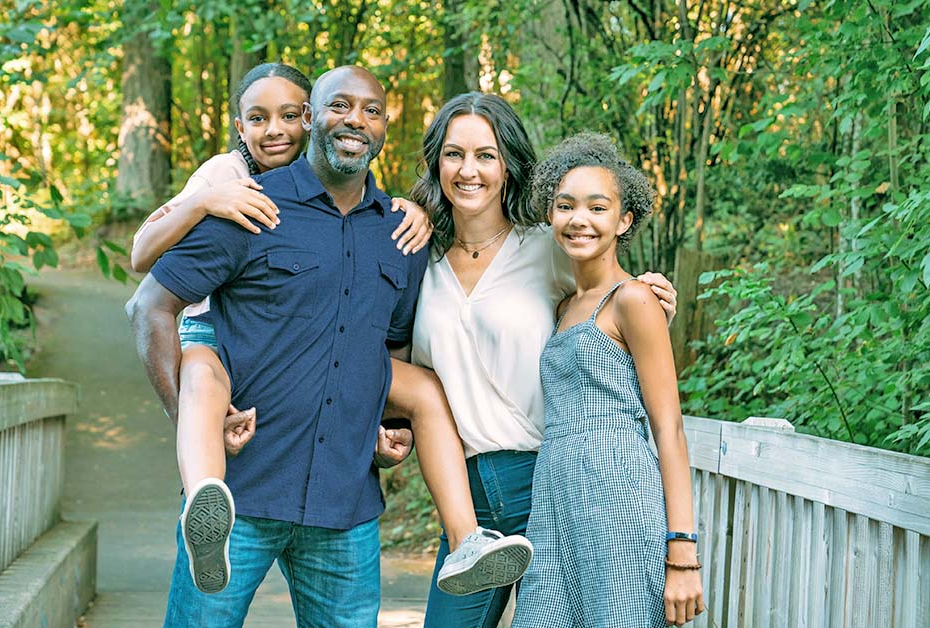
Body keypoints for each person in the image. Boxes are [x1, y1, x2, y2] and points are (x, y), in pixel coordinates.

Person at [127, 66, 429, 627]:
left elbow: (393, 347)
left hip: (346, 506)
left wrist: (388, 424)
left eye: (372, 110)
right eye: (339, 105)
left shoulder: (401, 235)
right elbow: (151, 306)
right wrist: (186, 417)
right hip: (241, 499)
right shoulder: (247, 205)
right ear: (312, 117)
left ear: (386, 126)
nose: (355, 121)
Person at [407, 93, 678, 626]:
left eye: (487, 155)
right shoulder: (417, 256)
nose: (469, 170)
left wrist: (654, 301)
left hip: (554, 481)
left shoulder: (547, 246)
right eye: (454, 154)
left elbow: (609, 304)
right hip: (468, 500)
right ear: (436, 161)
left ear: (509, 165)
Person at [511, 132, 705, 627]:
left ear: (624, 220)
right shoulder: (562, 307)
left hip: (620, 496)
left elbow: (669, 427)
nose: (579, 219)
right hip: (557, 503)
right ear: (551, 216)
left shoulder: (635, 300)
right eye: (565, 206)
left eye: (598, 208)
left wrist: (682, 551)